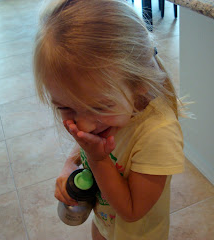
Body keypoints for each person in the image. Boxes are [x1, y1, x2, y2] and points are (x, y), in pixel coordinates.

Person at [33, 0, 186, 239]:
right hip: (105, 224)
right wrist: (70, 164)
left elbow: (132, 210)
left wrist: (97, 159)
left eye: (98, 107)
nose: (83, 126)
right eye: (65, 107)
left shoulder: (158, 134)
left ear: (138, 84)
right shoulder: (107, 120)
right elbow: (85, 142)